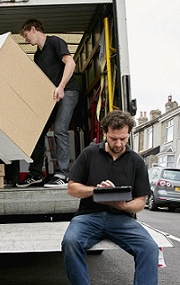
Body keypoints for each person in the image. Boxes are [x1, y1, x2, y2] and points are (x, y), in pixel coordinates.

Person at [62, 110, 159, 285]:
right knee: (70, 242)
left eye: (123, 138)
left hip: (122, 218)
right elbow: (72, 189)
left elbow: (141, 201)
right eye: (114, 138)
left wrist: (121, 205)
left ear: (129, 133)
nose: (119, 143)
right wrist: (96, 190)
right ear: (105, 133)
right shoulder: (89, 154)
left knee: (150, 248)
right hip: (88, 216)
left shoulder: (136, 161)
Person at [16, 19, 80, 188]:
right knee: (37, 132)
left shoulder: (55, 42)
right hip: (52, 96)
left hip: (68, 92)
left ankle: (63, 174)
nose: (25, 39)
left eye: (26, 34)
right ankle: (36, 174)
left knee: (60, 129)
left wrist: (61, 86)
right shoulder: (37, 56)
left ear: (34, 29)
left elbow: (70, 63)